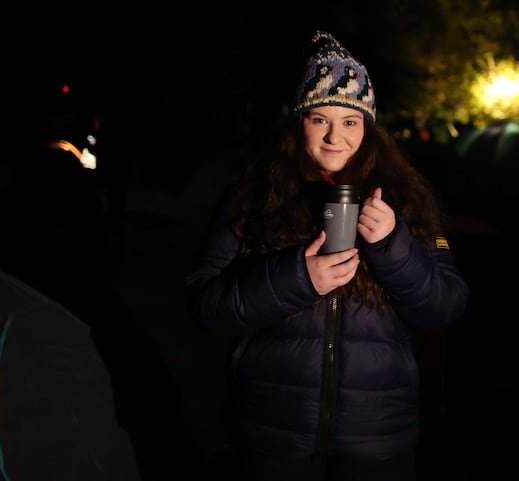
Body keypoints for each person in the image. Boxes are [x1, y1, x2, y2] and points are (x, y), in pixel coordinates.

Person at [184, 31, 470, 481]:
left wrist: (394, 246)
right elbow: (205, 307)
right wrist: (296, 278)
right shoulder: (254, 195)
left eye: (350, 121)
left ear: (369, 126)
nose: (336, 136)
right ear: (299, 122)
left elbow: (444, 309)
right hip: (272, 435)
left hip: (378, 440)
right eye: (320, 118)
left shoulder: (408, 200)